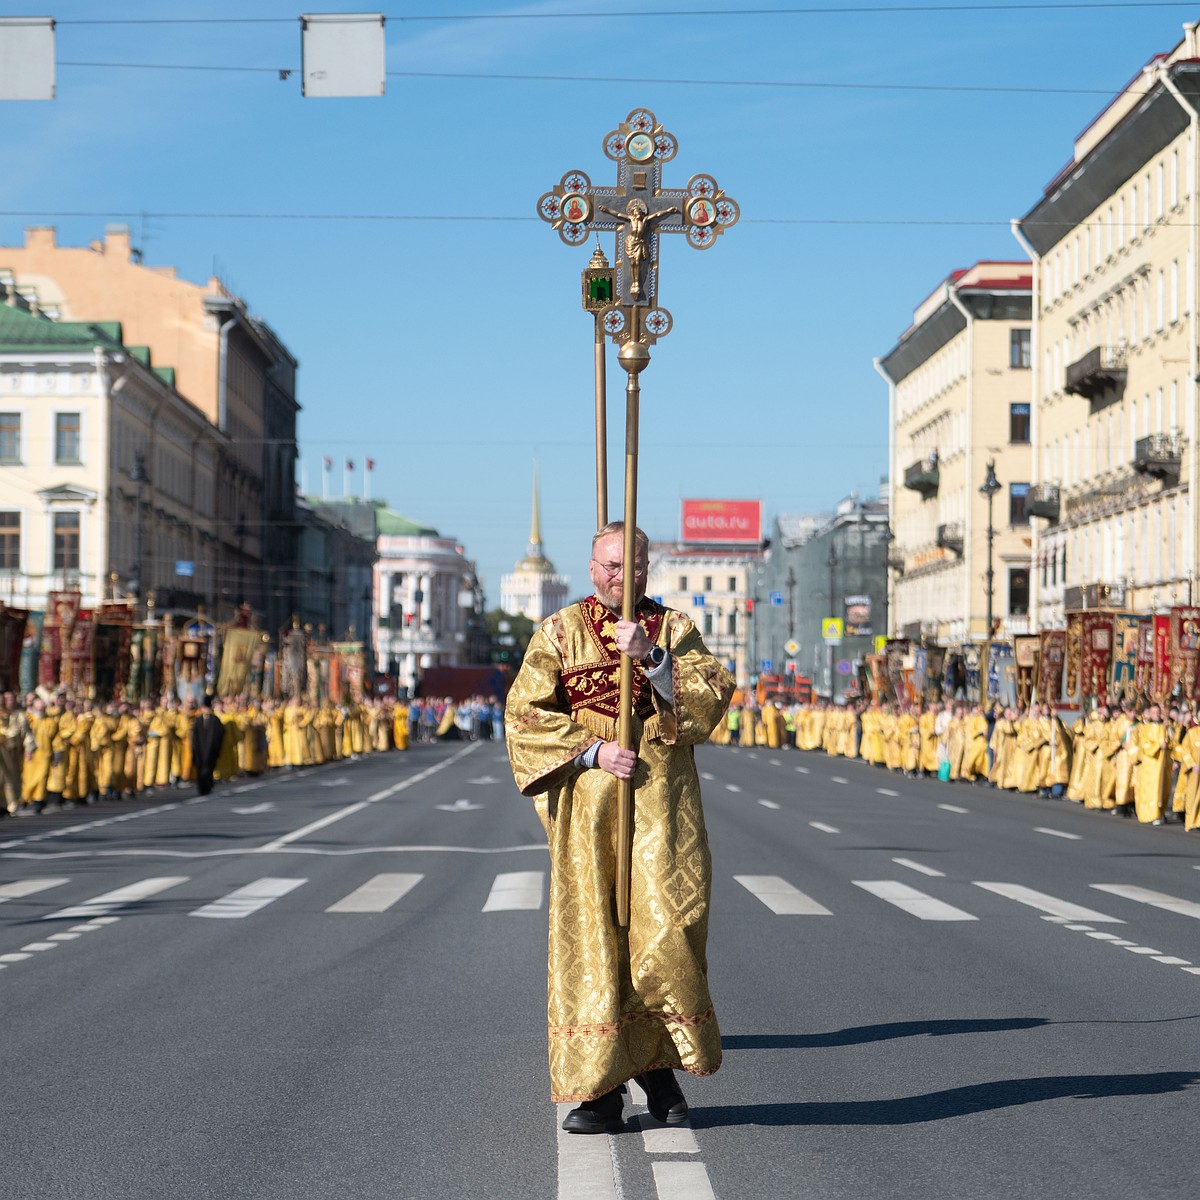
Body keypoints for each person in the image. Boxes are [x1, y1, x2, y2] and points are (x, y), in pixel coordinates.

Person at [505, 521, 734, 1135]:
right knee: (597, 940)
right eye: (608, 565)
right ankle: (603, 1092)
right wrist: (590, 752)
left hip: (662, 808)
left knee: (663, 933)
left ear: (646, 569)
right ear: (590, 567)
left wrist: (653, 660)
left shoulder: (674, 629)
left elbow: (712, 696)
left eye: (631, 567)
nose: (619, 577)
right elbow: (523, 714)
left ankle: (661, 1069)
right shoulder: (557, 632)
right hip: (590, 812)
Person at [190, 695, 226, 796]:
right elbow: (194, 737)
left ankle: (208, 786)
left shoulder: (215, 721)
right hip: (200, 750)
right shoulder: (197, 720)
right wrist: (194, 748)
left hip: (211, 750)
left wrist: (217, 749)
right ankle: (201, 787)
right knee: (200, 769)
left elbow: (220, 735)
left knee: (209, 769)